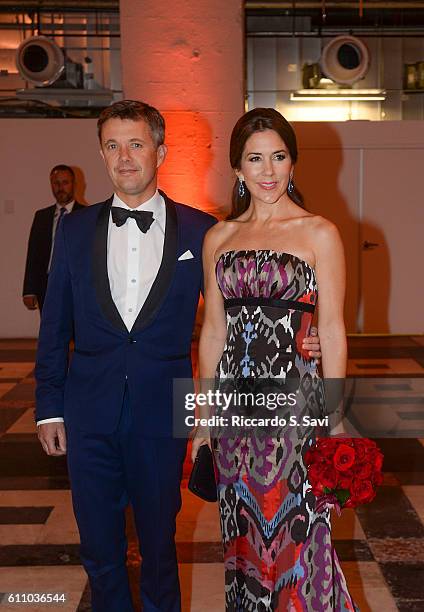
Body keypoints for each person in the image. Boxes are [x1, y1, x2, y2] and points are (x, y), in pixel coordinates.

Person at [35, 100, 323, 612]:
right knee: (99, 549)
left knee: (160, 548)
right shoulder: (74, 231)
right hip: (87, 413)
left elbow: (232, 316)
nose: (125, 158)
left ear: (160, 151)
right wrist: (49, 406)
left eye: (136, 144)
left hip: (165, 412)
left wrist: (303, 334)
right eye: (113, 146)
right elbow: (54, 327)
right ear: (101, 154)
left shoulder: (201, 231)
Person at [192, 108, 356, 611]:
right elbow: (213, 333)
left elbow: (331, 328)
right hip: (234, 417)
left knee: (300, 534)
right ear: (237, 169)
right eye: (255, 159)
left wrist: (334, 414)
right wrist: (199, 423)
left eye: (278, 157)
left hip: (296, 411)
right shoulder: (219, 237)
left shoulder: (319, 233)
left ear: (293, 164)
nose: (267, 171)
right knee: (242, 540)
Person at [22, 165, 84, 313]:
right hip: (46, 285)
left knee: (77, 332)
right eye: (56, 183)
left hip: (75, 284)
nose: (60, 187)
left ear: (74, 184)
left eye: (65, 182)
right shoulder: (41, 217)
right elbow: (33, 254)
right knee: (50, 331)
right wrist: (29, 290)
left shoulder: (86, 215)